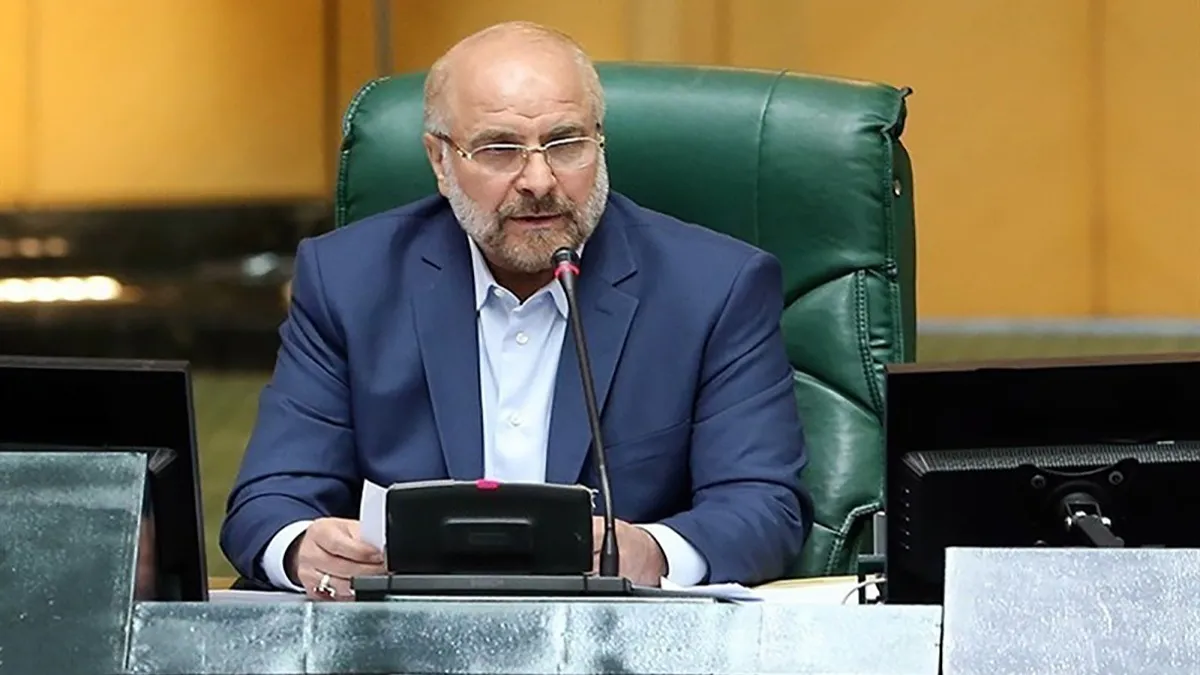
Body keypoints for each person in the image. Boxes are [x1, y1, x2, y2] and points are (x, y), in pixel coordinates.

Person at [220, 20, 812, 600]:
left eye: (566, 143)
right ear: (440, 160)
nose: (539, 179)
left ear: (600, 141)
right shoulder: (348, 280)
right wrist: (302, 549)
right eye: (500, 149)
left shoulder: (716, 288)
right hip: (407, 636)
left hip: (618, 637)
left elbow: (764, 505)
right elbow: (269, 500)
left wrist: (653, 552)